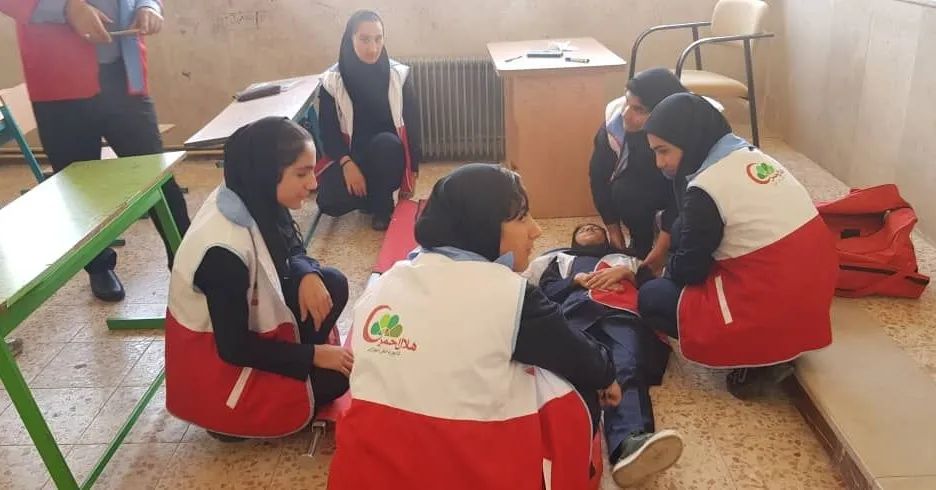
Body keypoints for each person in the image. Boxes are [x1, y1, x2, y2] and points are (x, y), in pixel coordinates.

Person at [329, 164, 619, 490]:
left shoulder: (385, 282)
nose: (536, 230)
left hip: (363, 475)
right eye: (522, 217)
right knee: (574, 385)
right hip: (461, 475)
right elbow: (581, 357)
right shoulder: (511, 295)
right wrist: (606, 375)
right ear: (484, 225)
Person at [637, 93, 837, 399]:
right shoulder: (748, 153)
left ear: (688, 139)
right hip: (814, 293)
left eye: (663, 151)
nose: (659, 163)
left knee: (653, 296)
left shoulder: (705, 188)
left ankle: (754, 360)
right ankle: (780, 342)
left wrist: (656, 272)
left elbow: (689, 271)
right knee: (682, 232)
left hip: (774, 301)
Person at [164, 118, 351, 440]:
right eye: (302, 174)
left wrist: (306, 272)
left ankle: (299, 367)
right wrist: (313, 355)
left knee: (329, 283)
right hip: (223, 377)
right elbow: (234, 349)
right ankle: (232, 423)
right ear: (268, 172)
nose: (313, 183)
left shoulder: (251, 193)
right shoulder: (222, 253)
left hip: (247, 339)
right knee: (337, 379)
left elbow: (291, 244)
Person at [0, 0, 190, 301]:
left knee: (159, 178)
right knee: (80, 190)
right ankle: (99, 267)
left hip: (123, 75)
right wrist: (66, 7)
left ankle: (189, 262)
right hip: (60, 82)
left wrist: (148, 5)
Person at [528, 223, 683, 488]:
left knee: (626, 368)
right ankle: (568, 455)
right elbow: (544, 292)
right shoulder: (558, 259)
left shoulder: (628, 260)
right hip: (573, 316)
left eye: (594, 227)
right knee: (568, 379)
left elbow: (656, 291)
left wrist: (629, 274)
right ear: (572, 240)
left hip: (622, 316)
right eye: (583, 228)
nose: (589, 227)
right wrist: (574, 281)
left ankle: (630, 443)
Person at [315, 9, 421, 231]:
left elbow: (412, 124)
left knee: (386, 144)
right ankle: (370, 197)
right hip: (352, 155)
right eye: (364, 39)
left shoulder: (398, 75)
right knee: (328, 201)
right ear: (350, 38)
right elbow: (328, 131)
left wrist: (413, 169)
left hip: (388, 155)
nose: (373, 48)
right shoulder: (332, 81)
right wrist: (347, 164)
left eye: (378, 39)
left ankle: (382, 207)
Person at [589, 68, 686, 274]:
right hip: (645, 184)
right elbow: (598, 177)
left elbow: (683, 191)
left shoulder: (689, 130)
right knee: (624, 191)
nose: (626, 114)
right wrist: (613, 229)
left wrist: (661, 249)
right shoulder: (614, 126)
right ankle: (640, 243)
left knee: (683, 239)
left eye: (638, 110)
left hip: (680, 191)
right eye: (627, 102)